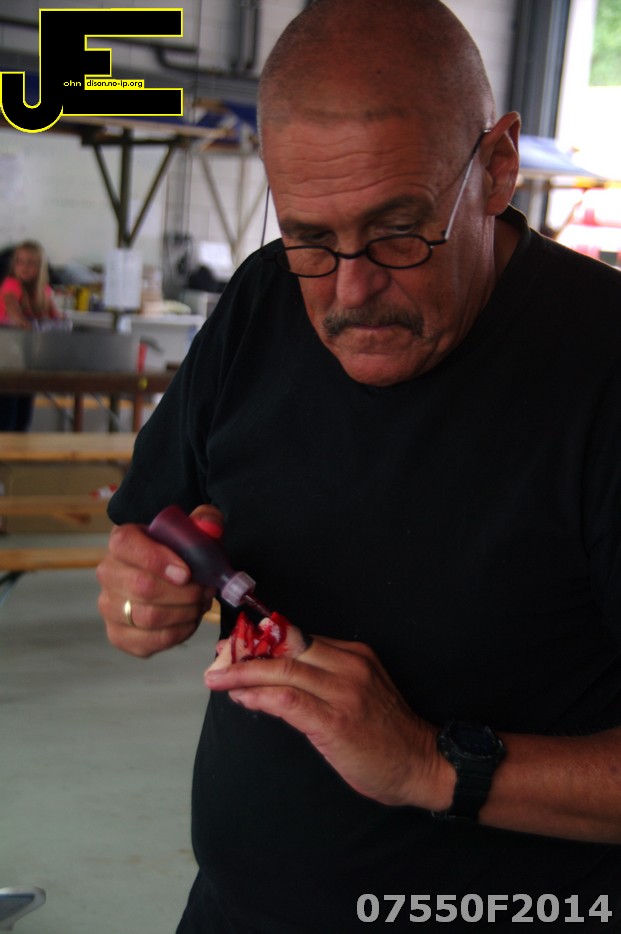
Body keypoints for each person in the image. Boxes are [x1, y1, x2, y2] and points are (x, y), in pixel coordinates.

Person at [97, 0, 621, 929]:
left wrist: (429, 765)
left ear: (497, 166)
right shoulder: (261, 301)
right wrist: (142, 596)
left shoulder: (601, 367)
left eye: (397, 232)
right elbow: (147, 542)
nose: (350, 289)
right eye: (309, 237)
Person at [0, 240, 62, 430]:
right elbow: (11, 305)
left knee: (23, 414)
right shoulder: (11, 284)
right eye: (19, 262)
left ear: (40, 267)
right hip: (6, 360)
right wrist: (21, 321)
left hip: (28, 360)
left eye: (30, 263)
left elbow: (57, 317)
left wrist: (57, 322)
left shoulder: (44, 291)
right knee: (7, 413)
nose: (24, 267)